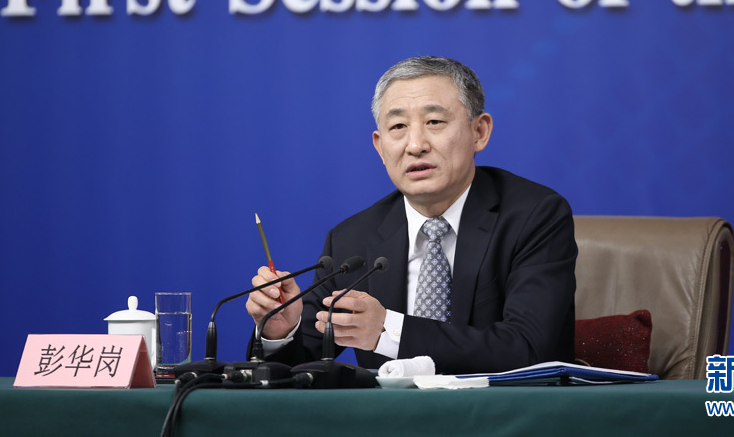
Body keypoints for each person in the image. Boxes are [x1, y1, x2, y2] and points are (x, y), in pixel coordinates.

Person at [245, 56, 576, 374]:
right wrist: (280, 331)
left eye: (434, 122)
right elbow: (296, 370)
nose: (415, 145)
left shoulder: (534, 216)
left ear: (479, 131)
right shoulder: (351, 240)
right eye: (398, 126)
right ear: (380, 147)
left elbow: (529, 348)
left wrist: (388, 330)